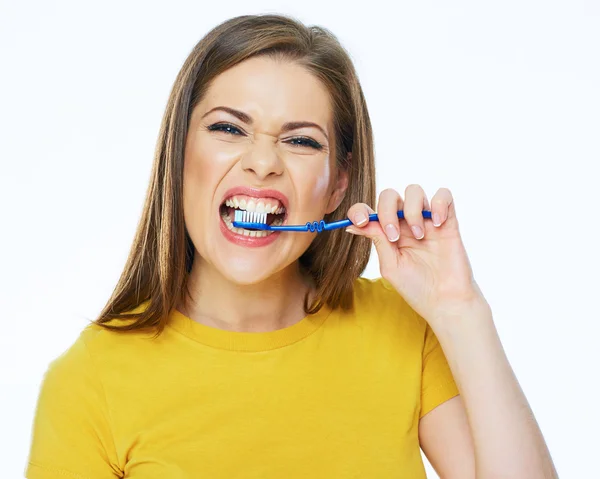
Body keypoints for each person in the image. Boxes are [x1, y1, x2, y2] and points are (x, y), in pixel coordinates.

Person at [25, 13, 558, 479]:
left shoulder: (401, 329)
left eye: (301, 141)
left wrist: (459, 309)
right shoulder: (88, 381)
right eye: (229, 128)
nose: (263, 162)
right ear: (180, 155)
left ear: (339, 183)